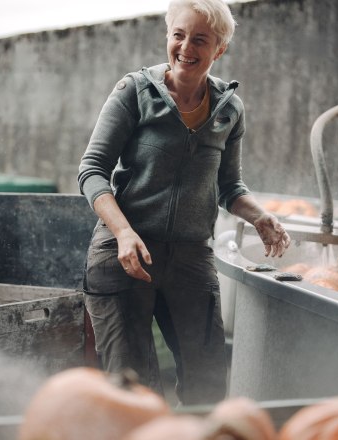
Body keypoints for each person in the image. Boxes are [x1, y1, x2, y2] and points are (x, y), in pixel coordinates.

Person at [77, 0, 291, 405]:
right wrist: (123, 232)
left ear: (220, 49)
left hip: (190, 258)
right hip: (124, 252)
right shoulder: (133, 92)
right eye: (178, 35)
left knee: (209, 387)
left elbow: (230, 186)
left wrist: (260, 216)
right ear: (168, 36)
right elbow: (91, 171)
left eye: (200, 39)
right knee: (135, 393)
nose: (185, 47)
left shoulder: (229, 109)